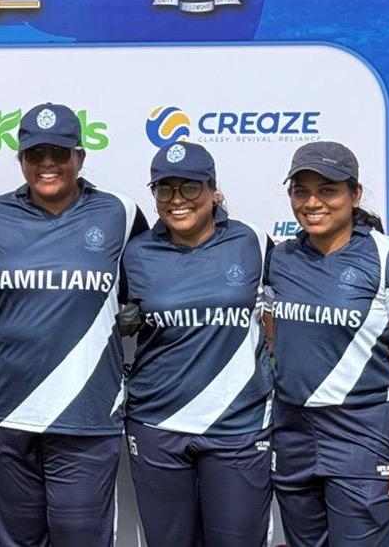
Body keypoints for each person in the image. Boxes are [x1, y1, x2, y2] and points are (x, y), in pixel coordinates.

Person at [0, 102, 147, 547]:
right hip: (6, 411)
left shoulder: (120, 213)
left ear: (80, 156)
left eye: (60, 153)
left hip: (86, 414)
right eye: (35, 154)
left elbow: (153, 281)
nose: (48, 164)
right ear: (20, 159)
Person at [267, 141, 389, 547]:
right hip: (292, 430)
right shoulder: (280, 258)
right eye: (301, 191)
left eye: (328, 190)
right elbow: (274, 336)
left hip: (364, 430)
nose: (312, 203)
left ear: (355, 194)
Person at [120, 142, 273, 547]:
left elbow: (290, 313)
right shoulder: (135, 253)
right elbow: (114, 320)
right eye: (164, 189)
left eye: (189, 187)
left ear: (213, 190)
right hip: (157, 425)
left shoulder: (254, 242)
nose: (177, 200)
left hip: (238, 427)